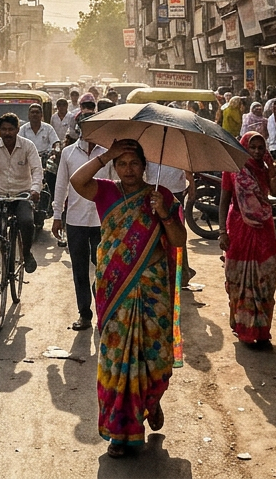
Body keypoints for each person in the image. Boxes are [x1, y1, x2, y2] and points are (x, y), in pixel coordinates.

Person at [70, 139, 183, 458]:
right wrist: (105, 154)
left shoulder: (162, 196)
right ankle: (120, 432)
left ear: (145, 166)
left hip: (152, 289)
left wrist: (164, 214)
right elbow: (78, 181)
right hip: (114, 287)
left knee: (154, 355)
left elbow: (178, 240)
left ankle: (151, 401)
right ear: (114, 167)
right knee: (116, 359)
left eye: (134, 163)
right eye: (122, 164)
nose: (128, 169)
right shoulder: (105, 191)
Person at [219, 133, 276, 347]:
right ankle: (242, 326)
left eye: (260, 147)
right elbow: (224, 200)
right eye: (252, 147)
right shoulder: (233, 168)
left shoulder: (264, 168)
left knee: (265, 280)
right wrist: (222, 232)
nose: (256, 151)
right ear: (244, 147)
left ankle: (262, 331)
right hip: (238, 229)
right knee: (237, 279)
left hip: (263, 230)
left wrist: (271, 170)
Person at [51, 115, 106, 330]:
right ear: (79, 129)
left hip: (103, 220)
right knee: (80, 269)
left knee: (102, 268)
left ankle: (103, 309)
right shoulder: (68, 153)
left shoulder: (107, 153)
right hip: (75, 220)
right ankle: (84, 313)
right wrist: (57, 216)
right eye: (86, 127)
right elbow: (61, 185)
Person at [0, 112, 41, 292]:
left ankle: (26, 254)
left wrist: (35, 189)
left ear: (17, 130)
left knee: (27, 221)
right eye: (3, 129)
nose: (7, 133)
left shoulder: (28, 146)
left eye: (10, 129)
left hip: (22, 195)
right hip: (0, 195)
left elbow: (37, 170)